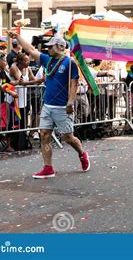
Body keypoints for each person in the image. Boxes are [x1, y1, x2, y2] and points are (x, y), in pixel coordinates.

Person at [9, 31, 90, 179]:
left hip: (62, 107)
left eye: (51, 46)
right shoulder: (47, 60)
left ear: (60, 47)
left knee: (67, 137)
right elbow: (31, 50)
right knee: (44, 134)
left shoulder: (70, 63)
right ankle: (48, 167)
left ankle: (82, 153)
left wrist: (70, 102)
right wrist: (17, 37)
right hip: (48, 105)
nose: (48, 49)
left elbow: (74, 85)